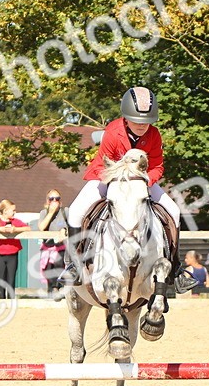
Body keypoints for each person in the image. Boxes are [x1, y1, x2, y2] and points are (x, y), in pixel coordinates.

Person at [61, 86, 197, 294]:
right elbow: (102, 164)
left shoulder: (154, 135)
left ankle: (175, 268)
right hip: (108, 180)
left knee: (175, 211)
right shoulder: (113, 132)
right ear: (126, 118)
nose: (142, 125)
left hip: (140, 183)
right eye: (137, 121)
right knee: (76, 211)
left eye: (146, 121)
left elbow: (158, 166)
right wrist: (116, 181)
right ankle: (74, 264)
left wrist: (145, 181)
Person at [0, 199, 28, 300]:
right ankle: (1, 299)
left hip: (12, 253)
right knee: (0, 278)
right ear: (5, 211)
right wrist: (0, 229)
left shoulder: (15, 222)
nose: (14, 212)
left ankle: (11, 299)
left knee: (11, 278)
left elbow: (27, 228)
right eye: (13, 210)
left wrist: (15, 229)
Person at [36, 189, 68, 298]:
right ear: (47, 201)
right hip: (47, 247)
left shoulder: (65, 211)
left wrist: (64, 230)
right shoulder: (43, 213)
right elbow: (41, 227)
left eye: (57, 199)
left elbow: (71, 226)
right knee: (48, 270)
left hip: (61, 247)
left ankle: (58, 290)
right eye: (51, 199)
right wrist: (50, 213)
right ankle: (51, 291)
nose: (54, 201)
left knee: (59, 267)